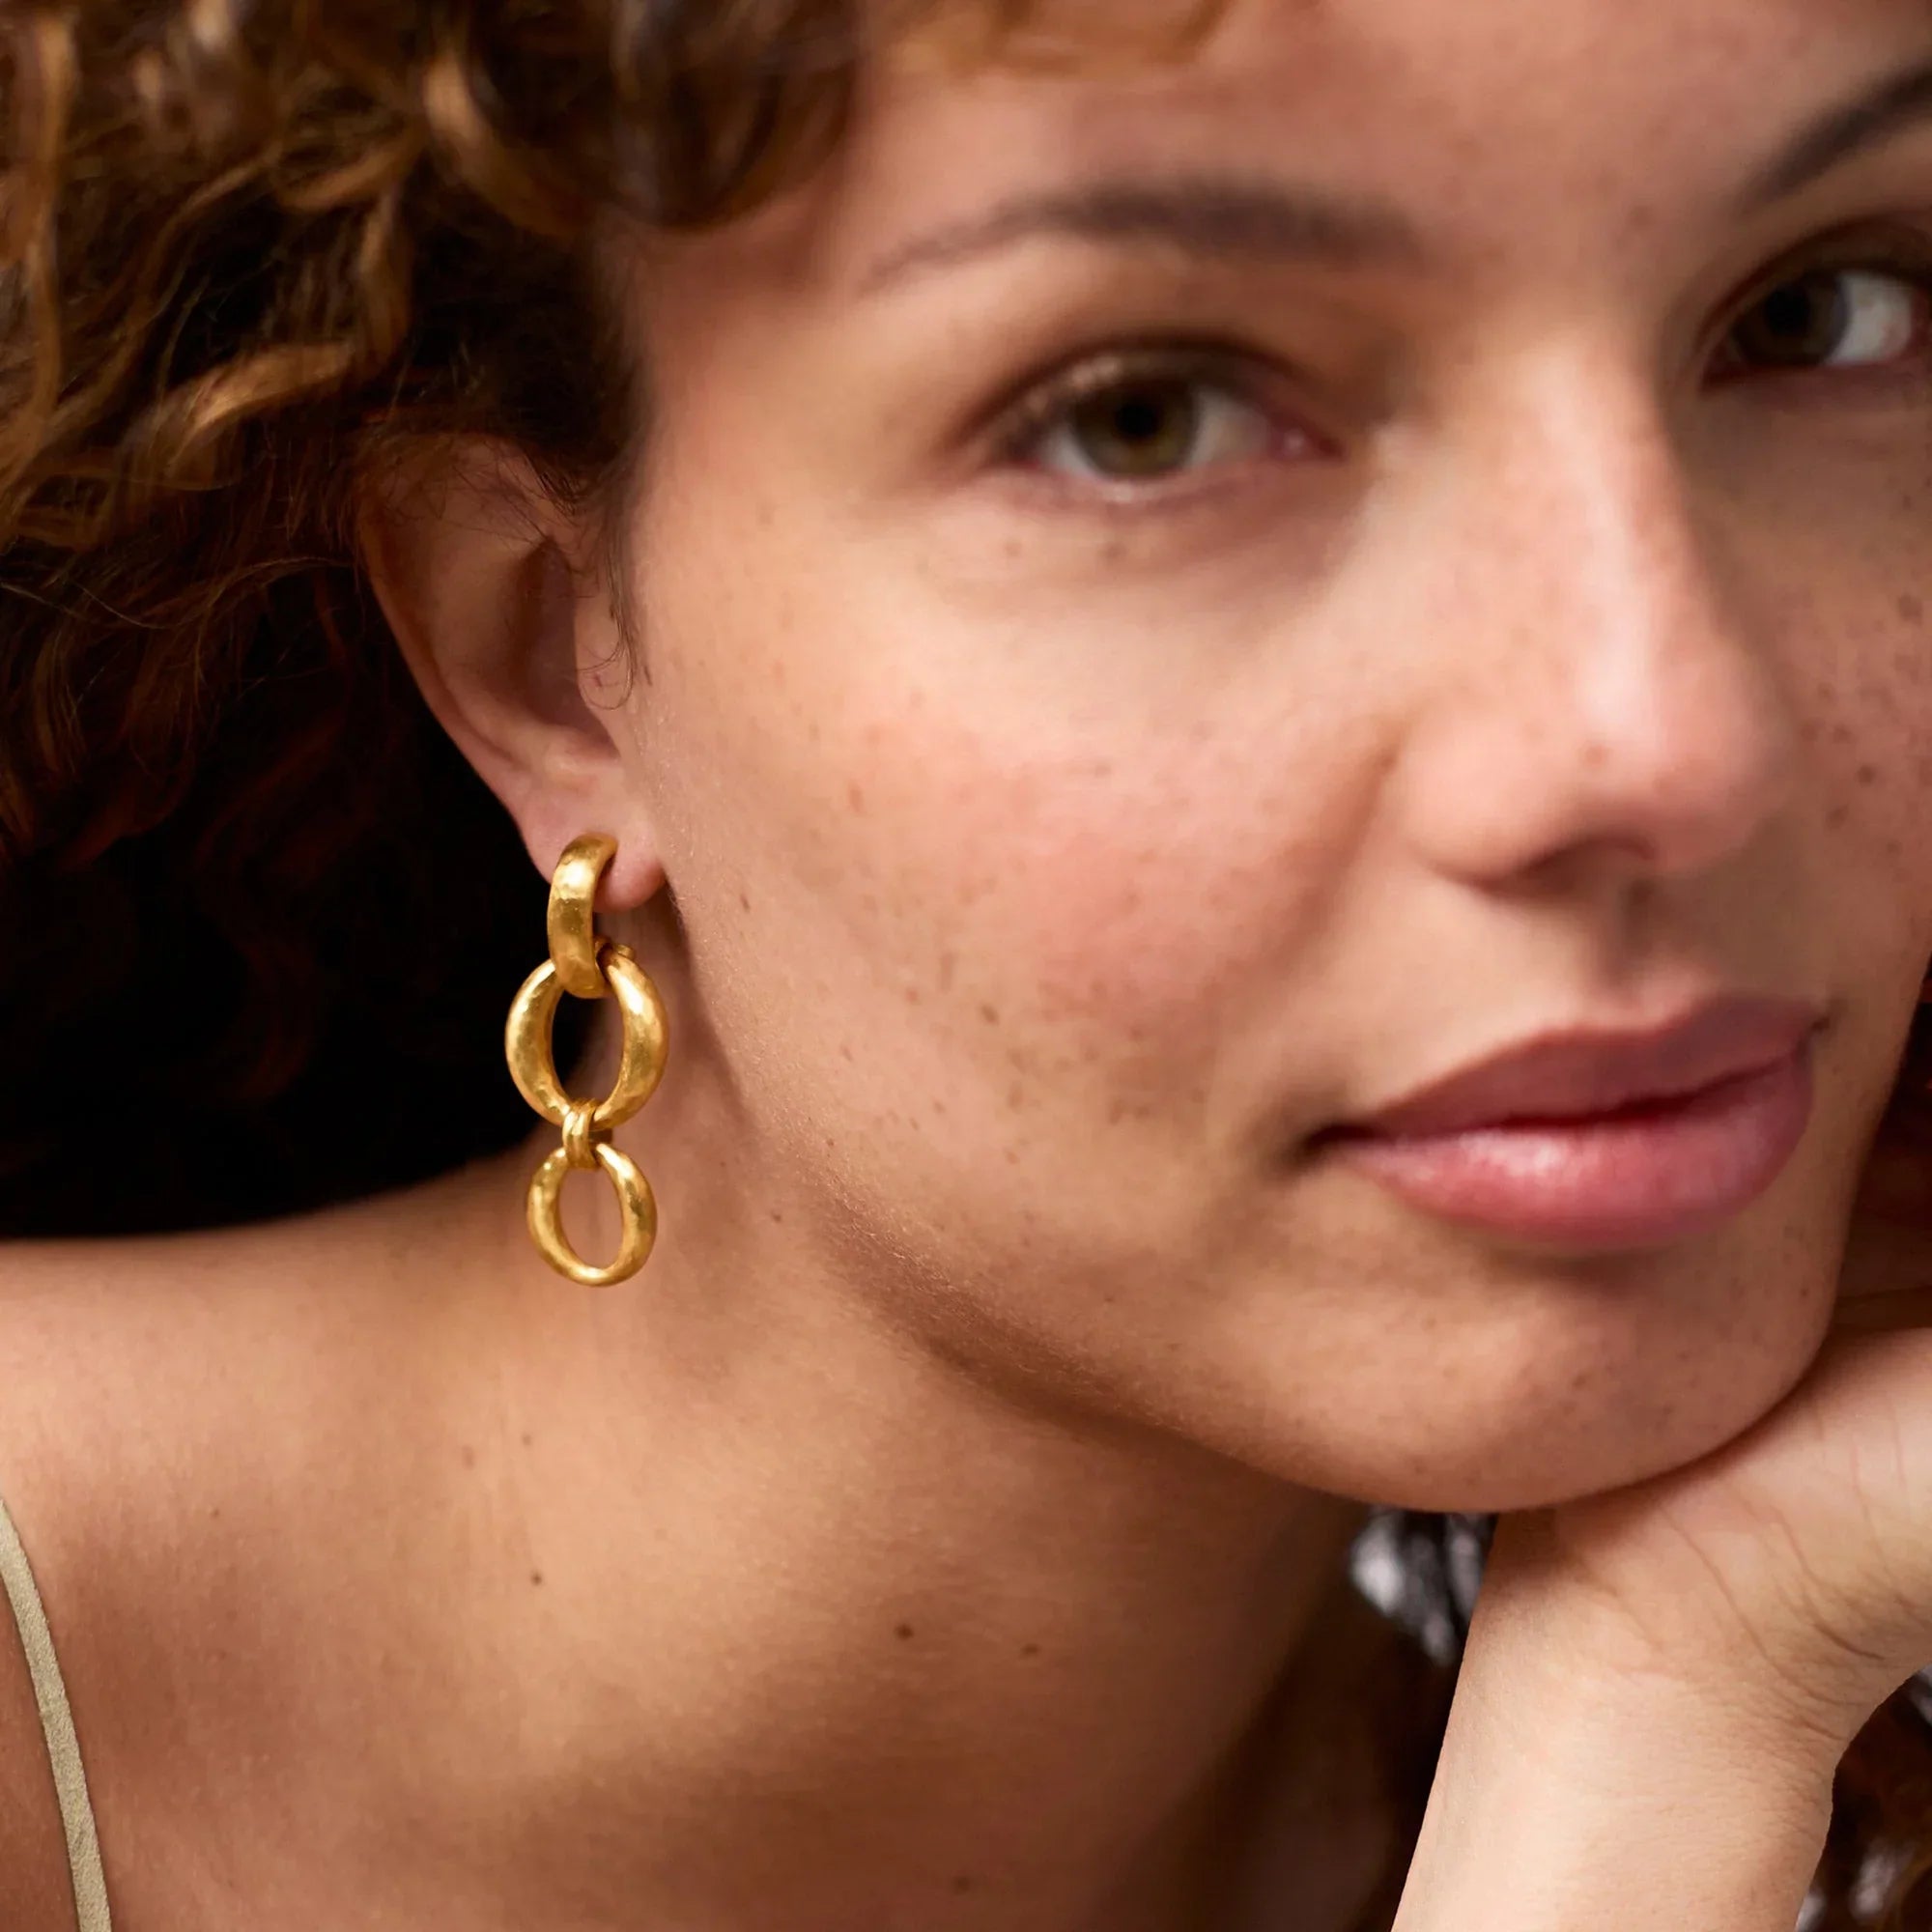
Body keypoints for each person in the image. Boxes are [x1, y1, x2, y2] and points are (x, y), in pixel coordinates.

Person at [4, 0, 1932, 1926]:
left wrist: (1673, 1689)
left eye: (1820, 311)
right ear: (545, 653)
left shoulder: (1742, 1762)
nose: (1669, 739)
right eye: (1142, 419)